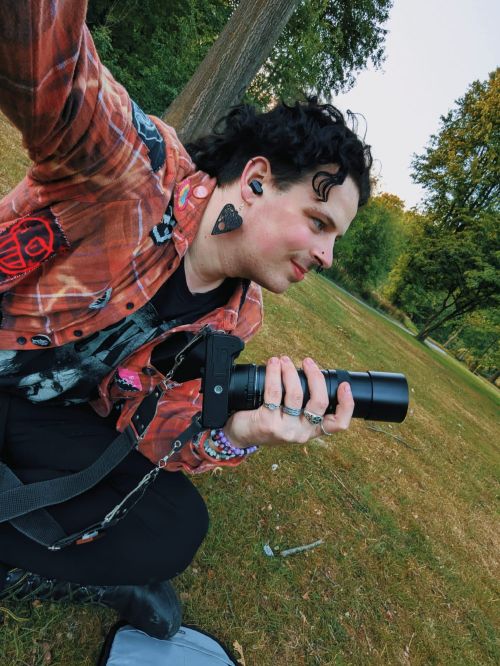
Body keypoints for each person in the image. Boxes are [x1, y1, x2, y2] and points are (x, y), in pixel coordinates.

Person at [0, 0, 372, 639]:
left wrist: (239, 431)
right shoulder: (136, 170)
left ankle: (38, 555)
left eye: (335, 237)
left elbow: (153, 438)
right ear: (256, 181)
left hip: (45, 418)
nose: (327, 255)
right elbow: (48, 61)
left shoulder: (237, 318)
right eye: (319, 223)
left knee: (173, 526)